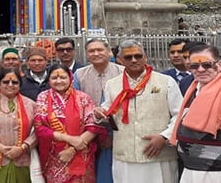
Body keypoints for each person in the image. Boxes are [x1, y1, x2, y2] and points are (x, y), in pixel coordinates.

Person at [94, 40, 182, 183]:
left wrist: (164, 137)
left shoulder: (166, 82)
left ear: (145, 57)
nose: (134, 60)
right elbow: (108, 108)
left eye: (138, 56)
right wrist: (99, 113)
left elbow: (180, 114)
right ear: (120, 60)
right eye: (128, 57)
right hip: (125, 155)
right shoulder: (112, 84)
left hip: (158, 153)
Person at [169, 44, 221, 183]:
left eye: (207, 65)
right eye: (194, 66)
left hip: (218, 174)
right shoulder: (194, 89)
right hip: (191, 170)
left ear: (219, 64)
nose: (200, 70)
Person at [35, 64, 105, 182]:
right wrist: (70, 139)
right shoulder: (43, 97)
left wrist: (72, 149)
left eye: (63, 77)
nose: (59, 81)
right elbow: (40, 128)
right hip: (55, 157)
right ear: (48, 79)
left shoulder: (83, 98)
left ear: (70, 78)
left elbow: (93, 126)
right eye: (54, 78)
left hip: (81, 153)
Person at [0, 67, 42, 183]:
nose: (10, 85)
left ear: (20, 85)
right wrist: (0, 148)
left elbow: (38, 130)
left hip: (23, 159)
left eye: (15, 82)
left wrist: (22, 148)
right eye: (6, 82)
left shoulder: (30, 105)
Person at [72, 38, 124, 183]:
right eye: (91, 51)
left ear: (108, 52)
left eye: (100, 50)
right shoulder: (79, 74)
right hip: (88, 132)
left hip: (118, 132)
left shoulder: (123, 72)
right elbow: (76, 104)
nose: (96, 53)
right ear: (87, 55)